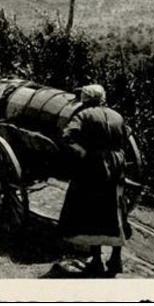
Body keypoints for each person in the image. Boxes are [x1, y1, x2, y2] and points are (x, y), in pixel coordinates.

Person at [55, 84, 131, 277]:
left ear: (86, 99)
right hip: (116, 165)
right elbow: (126, 135)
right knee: (116, 208)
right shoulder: (117, 115)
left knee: (91, 210)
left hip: (94, 166)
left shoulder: (83, 115)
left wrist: (83, 152)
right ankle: (115, 259)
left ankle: (96, 260)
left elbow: (68, 136)